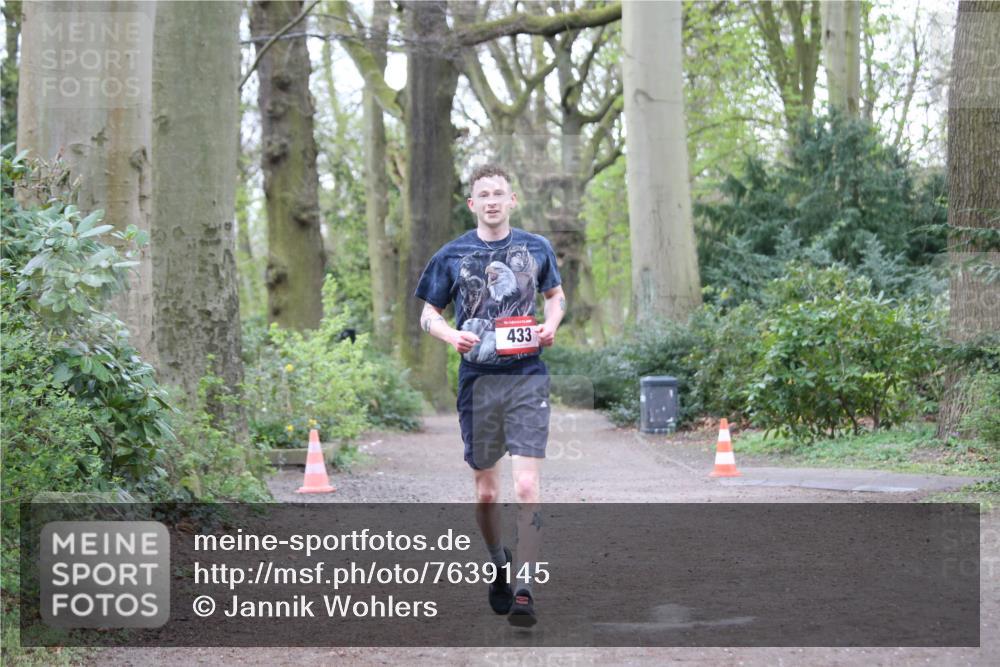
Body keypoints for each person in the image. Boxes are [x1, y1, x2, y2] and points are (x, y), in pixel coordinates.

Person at [415, 163, 566, 627]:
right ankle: (498, 562)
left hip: (527, 376)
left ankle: (525, 586)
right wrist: (450, 336)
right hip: (477, 382)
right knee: (486, 492)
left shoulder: (536, 248)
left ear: (512, 200)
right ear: (473, 203)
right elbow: (427, 314)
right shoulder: (452, 254)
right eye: (484, 194)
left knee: (524, 485)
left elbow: (555, 297)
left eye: (500, 192)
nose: (493, 200)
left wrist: (550, 326)